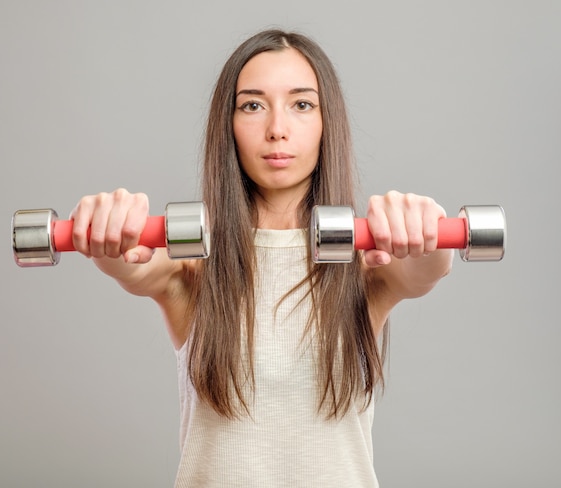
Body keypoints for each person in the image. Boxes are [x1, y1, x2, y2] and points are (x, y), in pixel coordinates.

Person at [69, 29, 453, 487]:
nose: (277, 128)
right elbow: (131, 264)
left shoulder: (364, 262)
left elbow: (424, 270)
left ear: (327, 122)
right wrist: (108, 228)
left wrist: (429, 231)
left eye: (302, 104)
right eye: (253, 104)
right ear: (227, 124)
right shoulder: (193, 265)